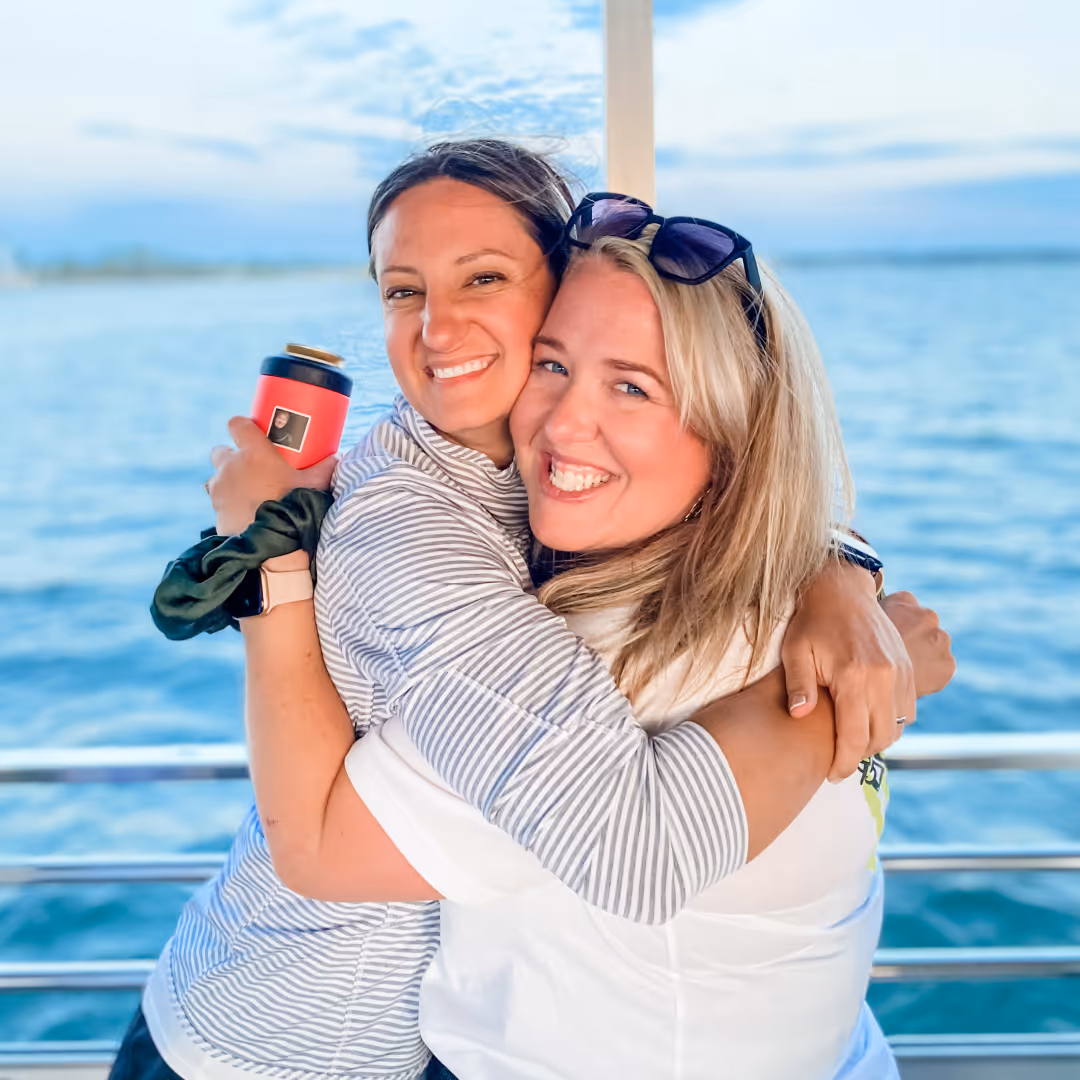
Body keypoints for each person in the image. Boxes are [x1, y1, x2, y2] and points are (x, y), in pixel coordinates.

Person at [119, 141, 922, 1080]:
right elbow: (632, 847)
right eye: (401, 291)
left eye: (483, 278)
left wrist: (837, 568)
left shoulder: (537, 479)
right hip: (278, 1039)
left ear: (563, 286)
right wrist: (851, 695)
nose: (435, 333)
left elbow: (731, 463)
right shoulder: (410, 531)